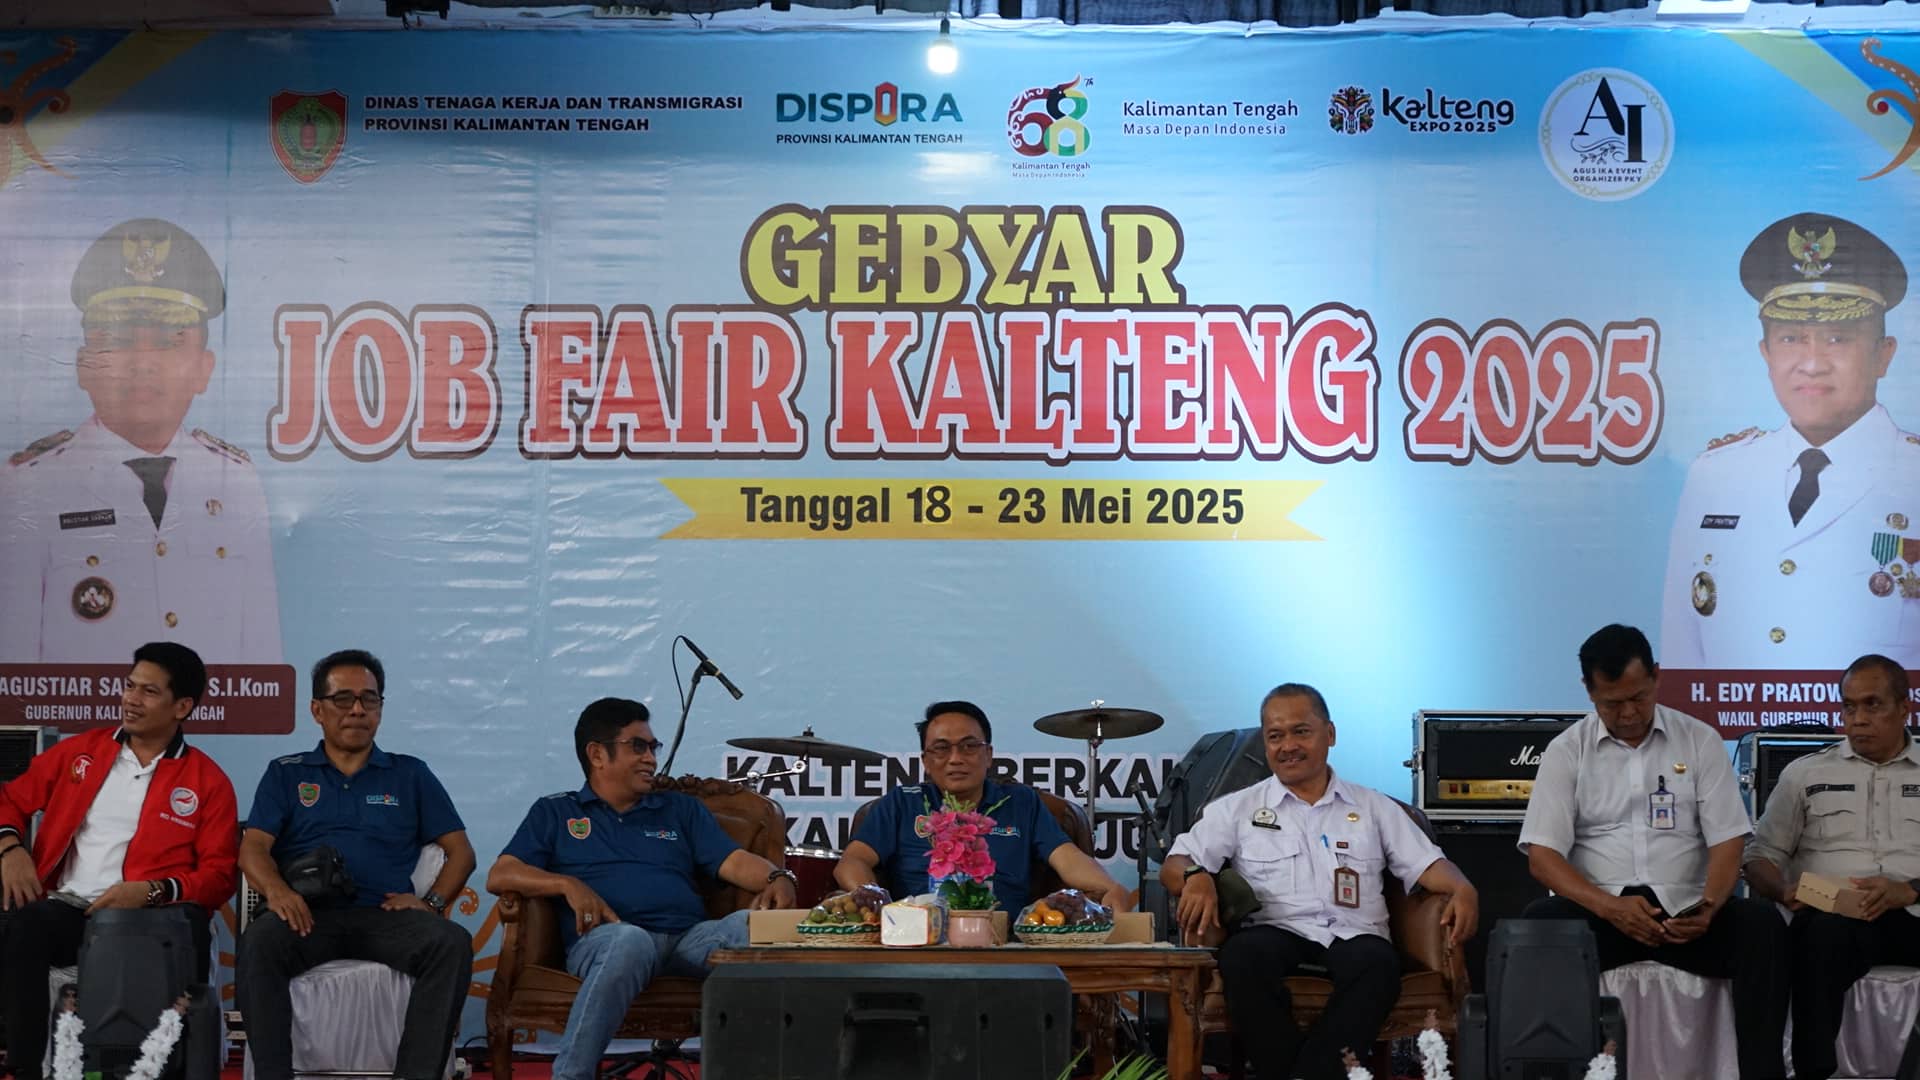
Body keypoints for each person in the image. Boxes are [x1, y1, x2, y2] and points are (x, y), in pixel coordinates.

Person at [1160, 683, 1478, 1080]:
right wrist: (1195, 876)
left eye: (1301, 732)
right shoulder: (1239, 808)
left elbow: (1429, 864)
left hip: (1355, 934)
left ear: (1329, 734)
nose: (1287, 746)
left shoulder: (1374, 807)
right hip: (1275, 930)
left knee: (1378, 964)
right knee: (1242, 958)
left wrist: (1462, 887)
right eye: (1275, 736)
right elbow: (1175, 864)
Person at [0, 217, 280, 664]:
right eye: (120, 340)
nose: (143, 362)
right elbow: (12, 671)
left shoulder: (235, 482)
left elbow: (260, 665)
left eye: (170, 342)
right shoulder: (31, 485)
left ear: (204, 368)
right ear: (83, 365)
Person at [1519, 623, 1790, 1080]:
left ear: (1657, 676)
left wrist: (1710, 907)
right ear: (1588, 690)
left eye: (1638, 697)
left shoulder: (1699, 740)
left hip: (1687, 916)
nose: (1628, 713)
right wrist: (1610, 908)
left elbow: (1728, 839)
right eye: (1612, 703)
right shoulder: (1566, 751)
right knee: (1539, 925)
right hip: (1604, 915)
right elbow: (1542, 858)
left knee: (1761, 926)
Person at [485, 697, 797, 1080]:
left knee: (753, 928)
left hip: (687, 940)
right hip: (608, 940)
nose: (651, 758)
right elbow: (501, 874)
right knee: (630, 941)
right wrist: (566, 883)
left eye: (653, 747)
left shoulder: (679, 809)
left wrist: (779, 877)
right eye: (638, 746)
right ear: (597, 755)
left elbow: (734, 862)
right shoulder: (556, 812)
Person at [1661, 212, 1919, 671]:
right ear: (1766, 354)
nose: (1812, 363)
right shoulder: (1717, 477)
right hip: (1739, 720)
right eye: (1791, 338)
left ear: (1884, 355)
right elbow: (1685, 654)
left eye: (1838, 338)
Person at [0, 641, 238, 1080]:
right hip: (74, 909)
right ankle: (26, 1068)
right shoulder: (81, 753)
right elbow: (9, 800)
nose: (131, 699)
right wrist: (10, 849)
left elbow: (219, 876)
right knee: (22, 925)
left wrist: (152, 892)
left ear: (182, 706)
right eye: (130, 686)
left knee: (189, 927)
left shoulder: (208, 780)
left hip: (156, 915)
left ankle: (178, 1069)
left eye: (149, 691)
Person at [236, 649, 475, 1080]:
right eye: (343, 699)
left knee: (451, 942)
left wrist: (433, 903)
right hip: (308, 917)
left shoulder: (410, 774)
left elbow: (462, 852)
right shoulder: (286, 773)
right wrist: (279, 893)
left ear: (381, 708)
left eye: (370, 699)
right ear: (317, 710)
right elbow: (253, 847)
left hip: (384, 914)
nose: (358, 710)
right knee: (260, 941)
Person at [1744, 654, 1920, 1080]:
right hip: (1838, 920)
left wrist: (1910, 889)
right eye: (1848, 706)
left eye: (1873, 705)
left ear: (1904, 708)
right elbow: (1758, 857)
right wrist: (1782, 890)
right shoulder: (1805, 773)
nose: (1857, 719)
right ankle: (1812, 1073)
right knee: (1818, 936)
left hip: (1914, 913)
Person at [833, 700, 1135, 912]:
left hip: (1007, 943)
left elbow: (1068, 859)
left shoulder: (1021, 802)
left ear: (988, 755)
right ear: (925, 760)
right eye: (941, 748)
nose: (955, 759)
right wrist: (873, 899)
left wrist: (1110, 887)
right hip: (916, 941)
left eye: (969, 746)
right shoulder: (902, 802)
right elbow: (852, 861)